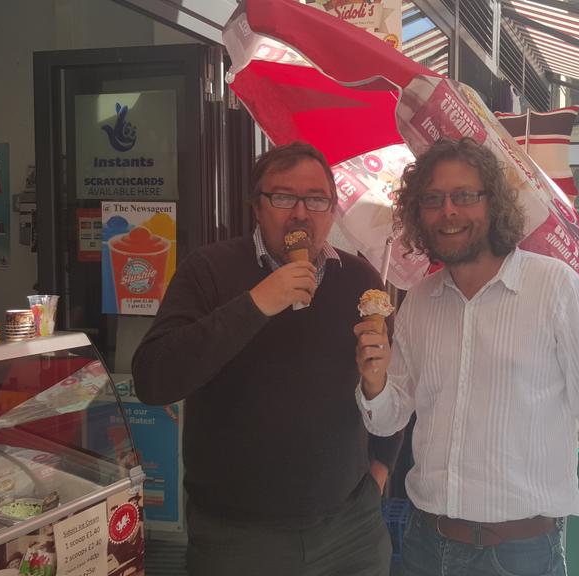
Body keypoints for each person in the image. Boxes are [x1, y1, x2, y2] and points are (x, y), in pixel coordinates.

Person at [354, 138, 579, 576]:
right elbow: (388, 420)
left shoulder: (555, 289)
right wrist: (375, 382)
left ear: (494, 203)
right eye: (433, 200)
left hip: (519, 555)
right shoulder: (419, 301)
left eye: (464, 196)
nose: (449, 211)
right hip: (424, 546)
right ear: (418, 215)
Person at [132, 142, 402, 575]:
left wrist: (380, 471)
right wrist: (255, 304)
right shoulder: (210, 270)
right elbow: (153, 379)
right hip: (237, 539)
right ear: (257, 208)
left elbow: (395, 387)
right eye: (282, 197)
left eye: (316, 199)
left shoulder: (361, 282)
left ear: (331, 211)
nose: (300, 213)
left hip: (349, 531)